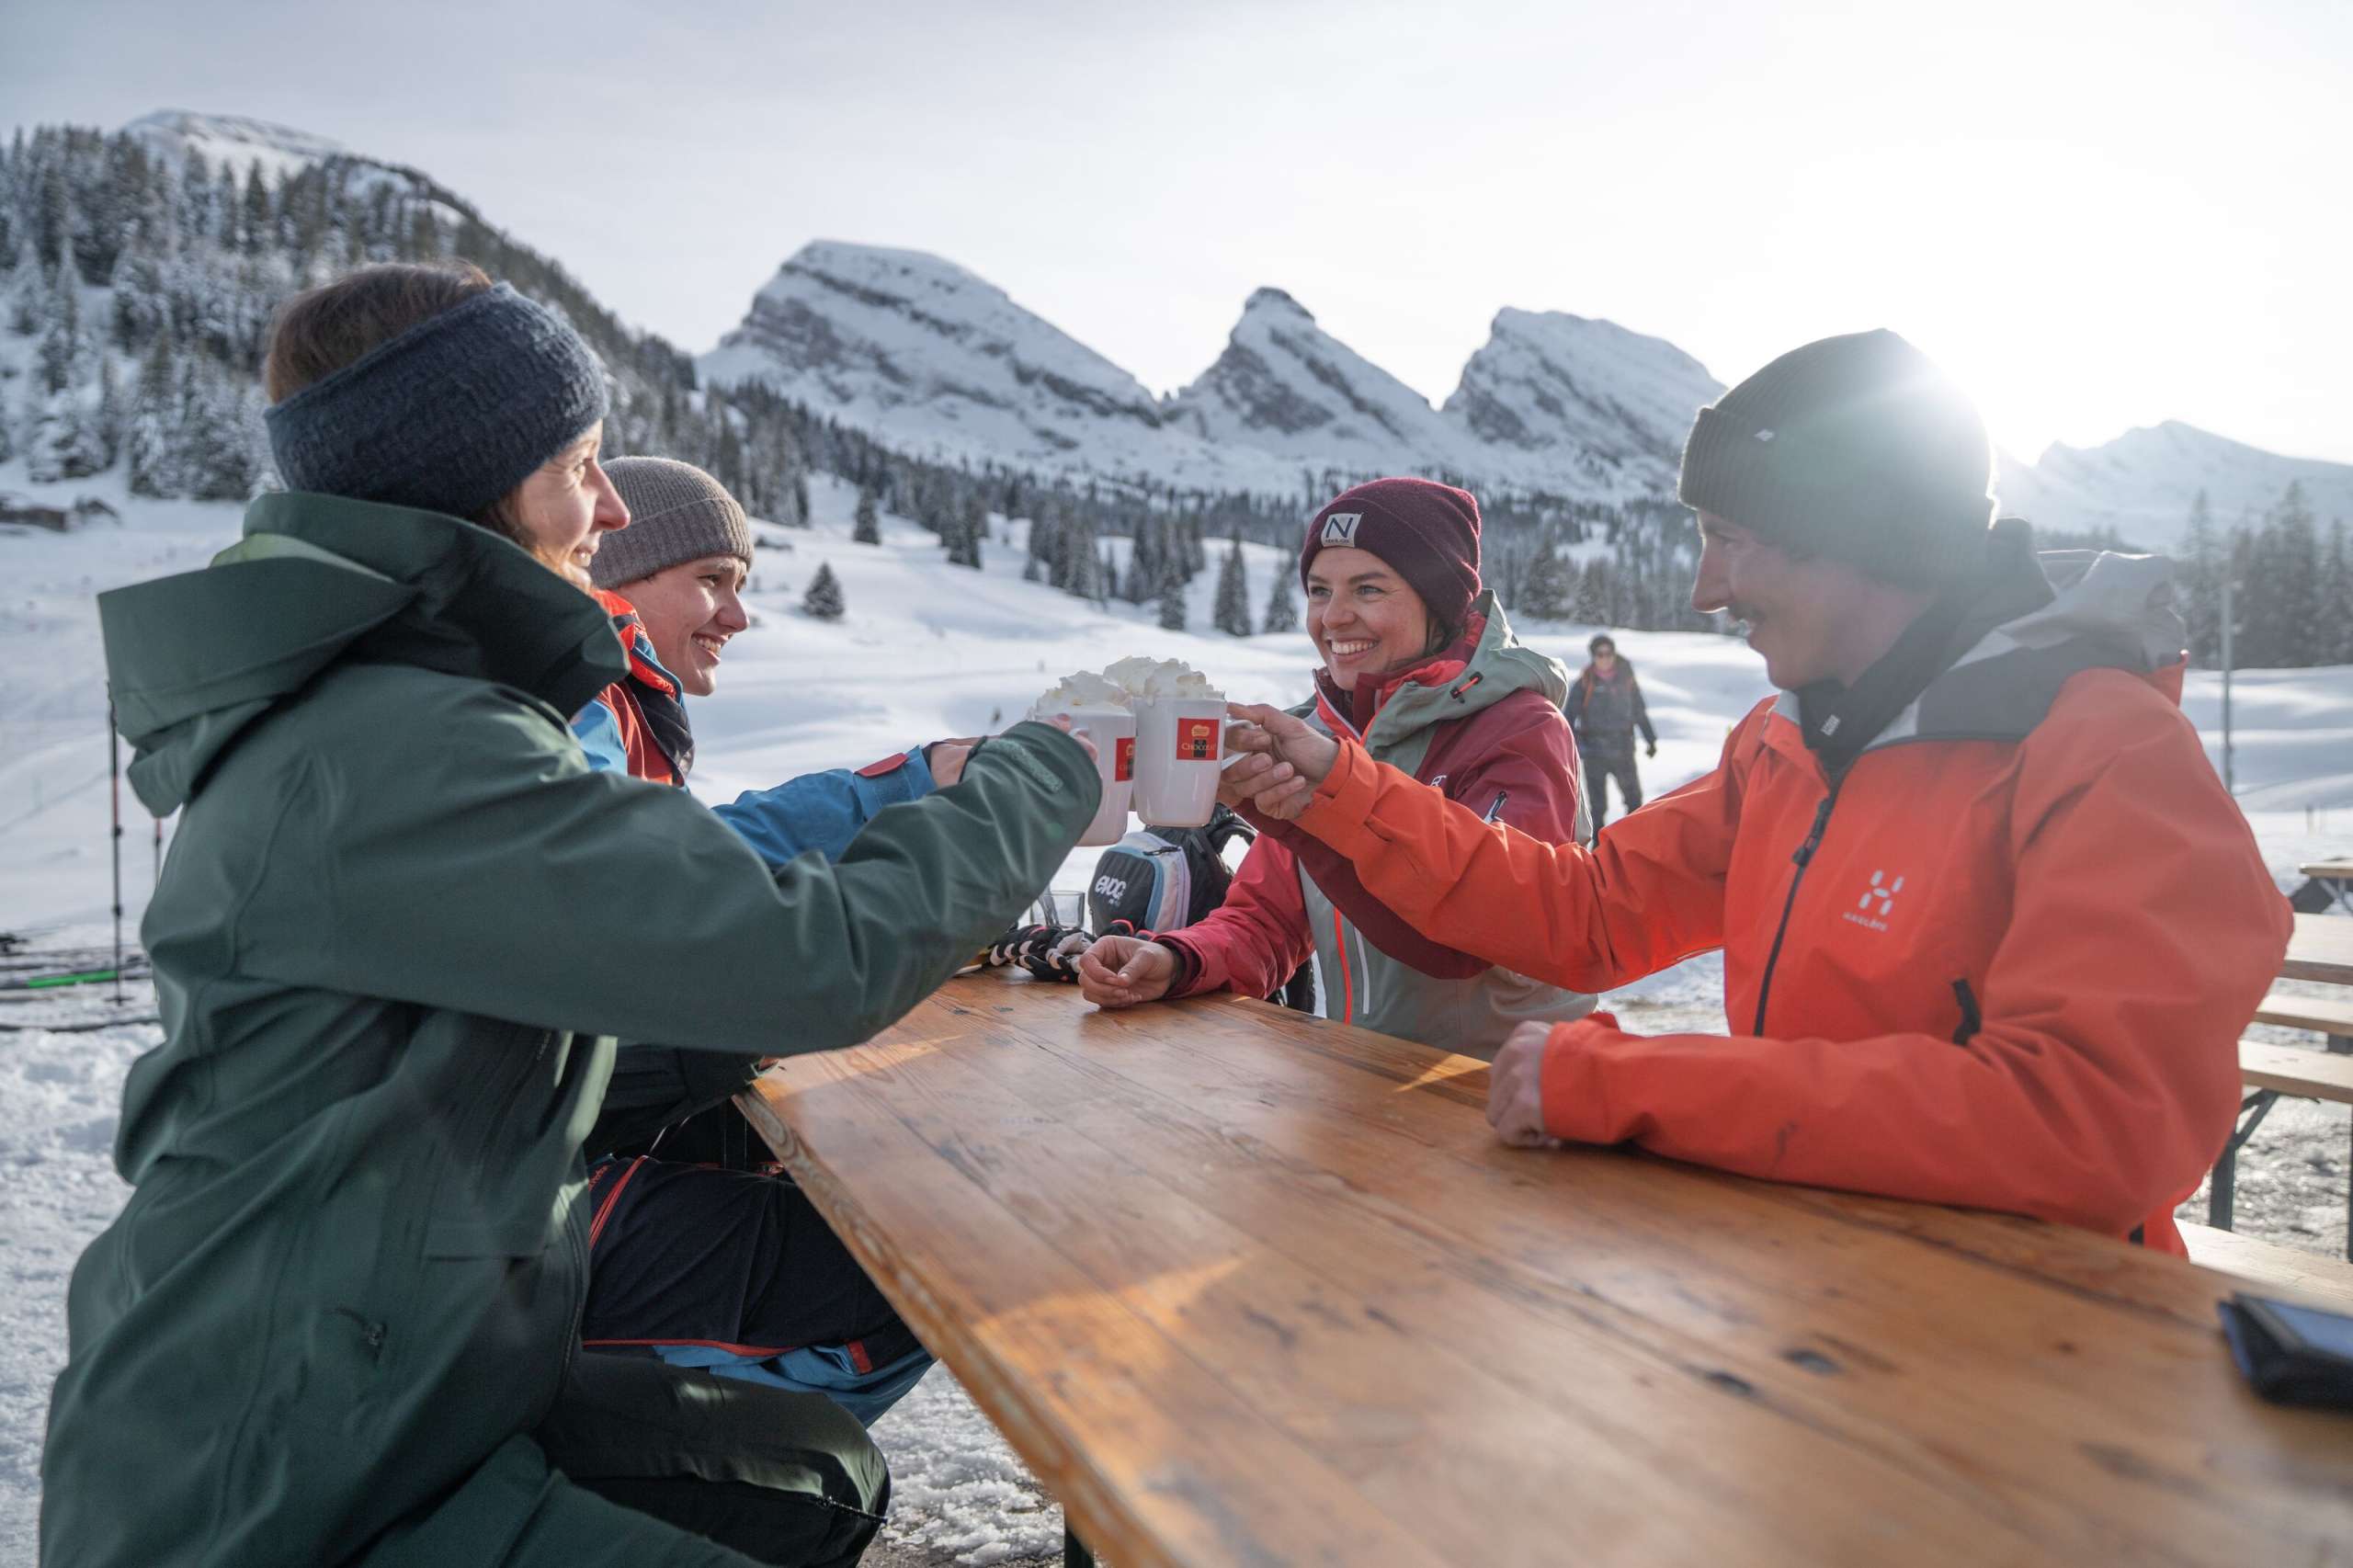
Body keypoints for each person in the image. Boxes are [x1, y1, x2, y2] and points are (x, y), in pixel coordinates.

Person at [45, 261, 1101, 1568]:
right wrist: (1047, 767)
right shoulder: (406, 740)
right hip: (283, 1474)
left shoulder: (412, 708)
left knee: (810, 1477)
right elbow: (808, 959)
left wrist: (708, 1032)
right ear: (471, 483)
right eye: (582, 464)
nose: (609, 504)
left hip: (398, 1378)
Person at [1219, 330, 2291, 1255]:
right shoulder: (1785, 743)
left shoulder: (2106, 754)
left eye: (1728, 538)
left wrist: (1631, 1085)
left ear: (1856, 533)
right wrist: (1339, 790)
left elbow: (2091, 1124)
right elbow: (1584, 914)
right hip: (1812, 1298)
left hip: (2041, 1357)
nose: (1706, 588)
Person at [564, 455, 945, 1425]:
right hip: (522, 1202)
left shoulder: (619, 706)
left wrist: (908, 778)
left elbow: (709, 843)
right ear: (614, 569)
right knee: (921, 1259)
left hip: (548, 1166)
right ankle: (704, 1465)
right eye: (711, 580)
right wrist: (909, 790)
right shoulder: (576, 700)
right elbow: (677, 868)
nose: (737, 616)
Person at [1076, 477, 1595, 1054]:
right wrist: (1179, 957)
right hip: (1367, 1084)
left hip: (1505, 1092)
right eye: (1319, 591)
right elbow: (1266, 919)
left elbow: (1479, 938)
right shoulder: (1323, 737)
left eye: (1369, 590)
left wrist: (1317, 813)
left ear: (1440, 602)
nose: (1334, 617)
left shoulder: (1519, 731)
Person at [1563, 632, 1655, 826]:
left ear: (1614, 654)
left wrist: (1650, 740)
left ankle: (1632, 843)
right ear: (1593, 656)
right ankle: (1598, 849)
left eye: (1608, 653)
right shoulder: (1584, 682)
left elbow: (1639, 711)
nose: (1605, 658)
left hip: (1622, 749)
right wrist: (1564, 747)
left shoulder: (1626, 680)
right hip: (1593, 752)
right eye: (1600, 654)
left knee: (1634, 801)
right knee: (1597, 808)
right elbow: (1569, 716)